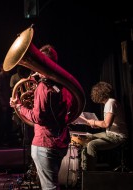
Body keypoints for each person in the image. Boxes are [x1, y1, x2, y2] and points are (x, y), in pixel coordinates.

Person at [10, 44, 71, 189]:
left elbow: (38, 118)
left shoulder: (43, 88)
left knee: (49, 187)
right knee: (53, 184)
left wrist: (19, 106)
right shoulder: (63, 84)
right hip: (60, 140)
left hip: (44, 143)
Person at [82, 81, 128, 171]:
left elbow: (106, 124)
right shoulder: (109, 103)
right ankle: (83, 169)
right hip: (110, 133)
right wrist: (96, 125)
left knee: (91, 145)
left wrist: (94, 122)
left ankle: (89, 174)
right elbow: (108, 124)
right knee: (86, 138)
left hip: (118, 136)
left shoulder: (110, 102)